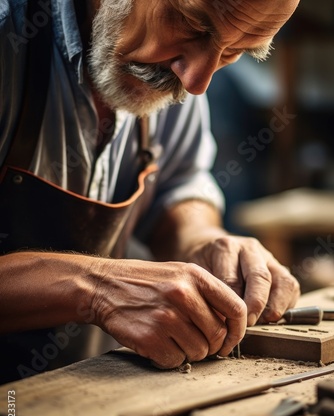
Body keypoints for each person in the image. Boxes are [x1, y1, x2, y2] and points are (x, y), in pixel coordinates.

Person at [0, 0, 300, 382]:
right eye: (191, 24)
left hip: (77, 404)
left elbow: (177, 185)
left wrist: (202, 241)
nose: (196, 83)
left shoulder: (177, 68)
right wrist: (93, 286)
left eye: (234, 51)